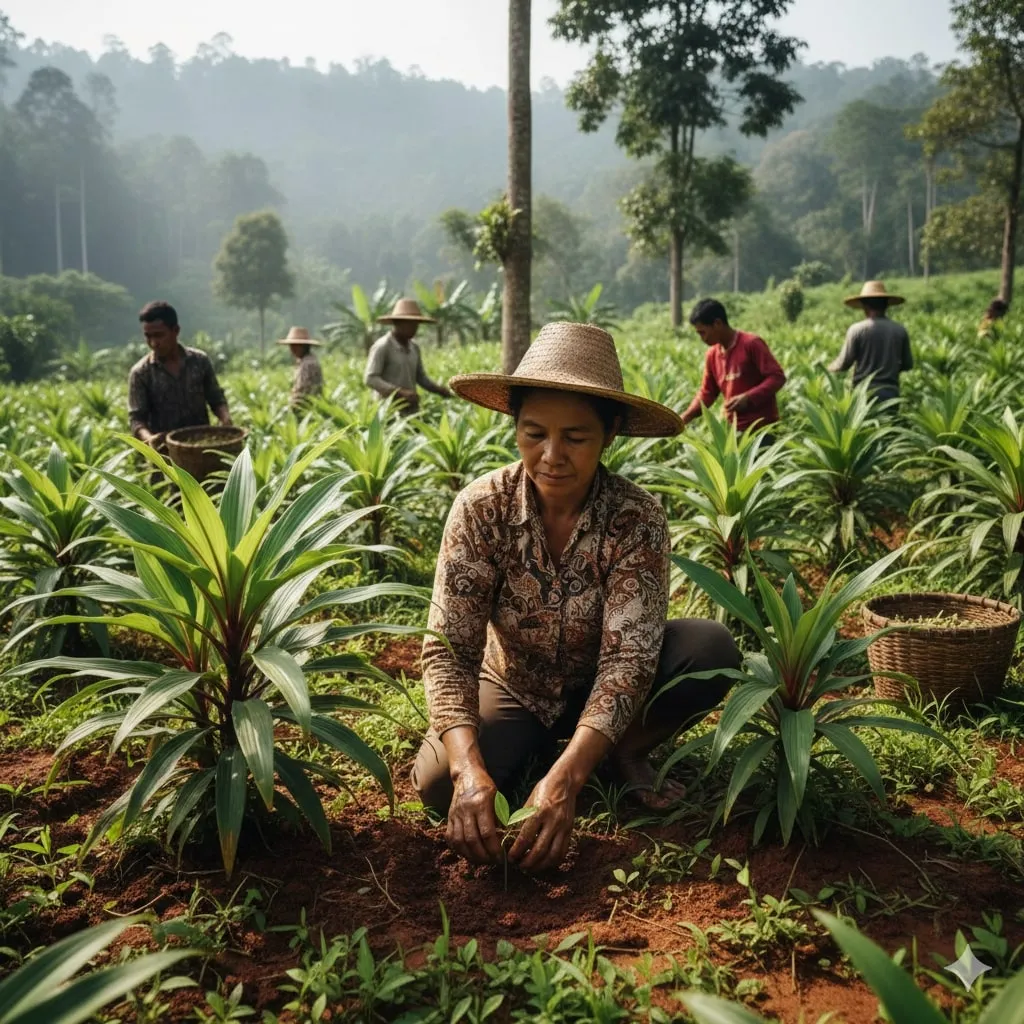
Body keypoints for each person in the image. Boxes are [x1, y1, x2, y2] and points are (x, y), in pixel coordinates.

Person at [412, 322, 741, 873]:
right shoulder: (480, 509)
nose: (552, 455)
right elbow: (448, 649)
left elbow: (629, 660)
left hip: (607, 681)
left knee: (710, 651)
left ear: (609, 435)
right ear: (514, 426)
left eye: (577, 437)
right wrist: (469, 769)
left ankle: (621, 748)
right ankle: (534, 751)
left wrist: (565, 782)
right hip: (514, 682)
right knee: (438, 788)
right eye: (534, 433)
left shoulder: (637, 517)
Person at [128, 301, 231, 447]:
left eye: (159, 335)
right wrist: (149, 438)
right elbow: (136, 420)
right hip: (164, 455)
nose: (153, 343)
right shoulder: (141, 373)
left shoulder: (199, 361)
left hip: (201, 447)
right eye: (148, 336)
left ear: (175, 330)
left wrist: (225, 418)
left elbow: (216, 399)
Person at [679, 298, 786, 436]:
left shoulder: (751, 344)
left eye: (703, 332)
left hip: (762, 429)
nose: (702, 338)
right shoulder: (712, 355)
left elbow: (777, 377)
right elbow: (707, 393)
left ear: (717, 323)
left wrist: (748, 397)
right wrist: (685, 417)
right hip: (733, 429)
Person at [364, 298, 453, 413]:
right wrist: (400, 393)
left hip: (411, 410)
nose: (415, 328)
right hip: (387, 412)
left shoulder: (414, 347)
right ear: (398, 323)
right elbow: (370, 379)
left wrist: (440, 390)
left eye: (416, 325)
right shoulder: (383, 346)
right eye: (411, 324)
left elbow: (421, 378)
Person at [828, 281, 912, 401]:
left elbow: (844, 364)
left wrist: (827, 369)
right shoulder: (900, 330)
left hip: (864, 394)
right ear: (886, 305)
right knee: (890, 420)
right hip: (890, 394)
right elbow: (908, 364)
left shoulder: (856, 329)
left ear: (864, 306)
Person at [277, 326, 324, 408]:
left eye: (296, 346)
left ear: (304, 346)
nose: (292, 349)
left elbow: (302, 392)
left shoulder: (307, 364)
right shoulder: (309, 360)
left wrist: (290, 406)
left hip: (306, 408)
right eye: (291, 346)